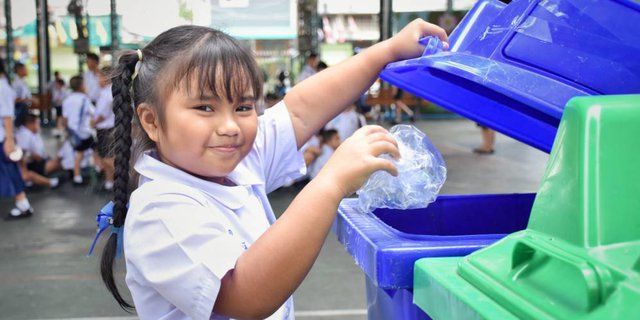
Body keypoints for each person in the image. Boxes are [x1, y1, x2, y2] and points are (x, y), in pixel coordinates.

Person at [97, 21, 447, 319]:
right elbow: (246, 294)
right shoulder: (160, 211)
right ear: (151, 121)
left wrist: (385, 51)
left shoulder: (235, 160)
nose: (230, 126)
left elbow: (298, 111)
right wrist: (331, 183)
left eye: (243, 106)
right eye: (205, 107)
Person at [0, 61, 35, 220]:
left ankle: (23, 204)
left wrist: (9, 140)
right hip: (4, 136)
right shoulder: (4, 86)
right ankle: (23, 204)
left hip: (2, 137)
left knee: (9, 169)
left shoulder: (3, 88)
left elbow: (7, 116)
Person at [62, 75, 96, 185]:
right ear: (81, 86)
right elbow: (93, 113)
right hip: (84, 132)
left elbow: (65, 118)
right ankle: (96, 169)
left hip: (73, 132)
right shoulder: (84, 99)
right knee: (95, 149)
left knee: (78, 153)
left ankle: (77, 176)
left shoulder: (67, 100)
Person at [15, 114, 60, 188]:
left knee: (57, 162)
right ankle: (49, 182)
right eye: (37, 122)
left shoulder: (34, 132)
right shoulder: (24, 134)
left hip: (37, 161)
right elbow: (23, 155)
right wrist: (36, 157)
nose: (39, 125)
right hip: (29, 164)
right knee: (57, 164)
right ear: (30, 123)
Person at [90, 67, 115, 191]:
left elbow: (103, 114)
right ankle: (109, 182)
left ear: (106, 78)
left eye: (99, 77)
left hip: (106, 128)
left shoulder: (108, 93)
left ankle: (127, 177)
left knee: (107, 158)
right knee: (105, 157)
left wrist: (93, 122)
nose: (98, 80)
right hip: (106, 128)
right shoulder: (107, 91)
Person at [12, 62, 36, 127]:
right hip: (18, 110)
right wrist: (29, 99)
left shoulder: (22, 81)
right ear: (19, 70)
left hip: (23, 109)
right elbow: (15, 99)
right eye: (24, 69)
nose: (26, 71)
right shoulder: (16, 83)